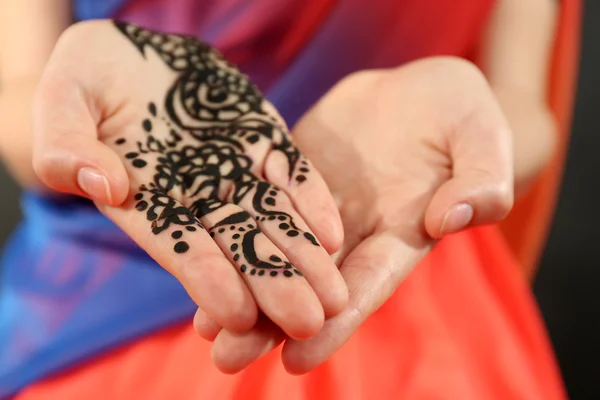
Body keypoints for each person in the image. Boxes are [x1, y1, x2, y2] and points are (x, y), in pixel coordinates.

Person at [0, 0, 575, 398]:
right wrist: (73, 112)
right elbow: (19, 97)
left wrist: (471, 130)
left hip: (394, 235)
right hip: (109, 283)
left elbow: (524, 108)